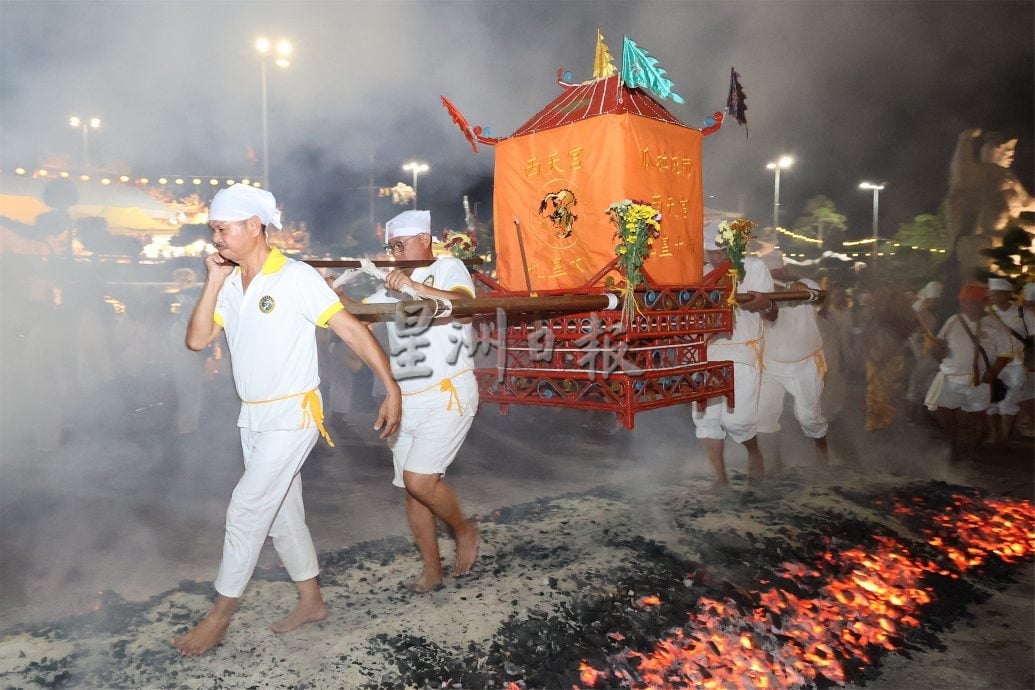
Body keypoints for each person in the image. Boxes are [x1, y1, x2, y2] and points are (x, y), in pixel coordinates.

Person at [174, 184, 401, 656]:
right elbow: (196, 341)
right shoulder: (230, 283)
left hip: (294, 414)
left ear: (254, 226)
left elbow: (350, 329)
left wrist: (391, 387)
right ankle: (312, 602)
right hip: (252, 417)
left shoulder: (296, 276)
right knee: (281, 515)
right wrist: (213, 280)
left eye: (223, 228)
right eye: (213, 229)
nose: (216, 238)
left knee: (247, 508)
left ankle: (219, 616)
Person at [364, 209, 480, 593]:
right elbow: (358, 314)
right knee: (412, 490)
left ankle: (463, 530)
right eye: (391, 247)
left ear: (425, 240)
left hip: (448, 392)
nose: (395, 253)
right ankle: (432, 570)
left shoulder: (447, 268)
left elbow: (464, 306)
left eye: (400, 245)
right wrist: (331, 292)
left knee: (420, 479)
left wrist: (414, 287)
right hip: (405, 398)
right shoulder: (392, 285)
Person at [691, 218, 778, 488]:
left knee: (737, 420)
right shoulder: (700, 273)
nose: (716, 257)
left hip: (743, 351)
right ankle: (720, 479)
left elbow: (773, 313)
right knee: (705, 419)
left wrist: (763, 303)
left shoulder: (754, 267)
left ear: (733, 248)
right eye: (711, 252)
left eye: (720, 251)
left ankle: (754, 452)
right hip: (707, 352)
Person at [925, 282, 1012, 461]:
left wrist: (994, 372)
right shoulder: (954, 320)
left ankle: (975, 446)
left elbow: (1005, 353)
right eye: (963, 302)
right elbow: (940, 342)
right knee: (943, 411)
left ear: (982, 303)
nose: (966, 306)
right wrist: (937, 349)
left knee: (977, 416)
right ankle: (952, 446)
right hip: (950, 377)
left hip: (977, 379)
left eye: (971, 302)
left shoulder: (995, 325)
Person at [756, 278, 829, 470]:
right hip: (770, 363)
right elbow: (768, 316)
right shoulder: (756, 290)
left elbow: (819, 298)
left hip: (806, 364)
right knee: (764, 416)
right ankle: (775, 463)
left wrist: (801, 289)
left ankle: (823, 462)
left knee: (809, 418)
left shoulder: (805, 283)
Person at [986, 277, 1030, 442]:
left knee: (1009, 401)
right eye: (992, 294)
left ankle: (1004, 437)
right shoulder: (986, 314)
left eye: (997, 293)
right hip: (993, 364)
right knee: (990, 401)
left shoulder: (1022, 313)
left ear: (1007, 294)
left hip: (1016, 364)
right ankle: (994, 435)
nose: (994, 297)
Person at [905, 281, 943, 422]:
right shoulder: (918, 308)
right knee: (918, 380)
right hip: (921, 348)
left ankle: (921, 413)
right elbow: (921, 328)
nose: (935, 303)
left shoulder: (925, 309)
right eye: (934, 300)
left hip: (927, 350)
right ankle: (913, 413)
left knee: (927, 381)